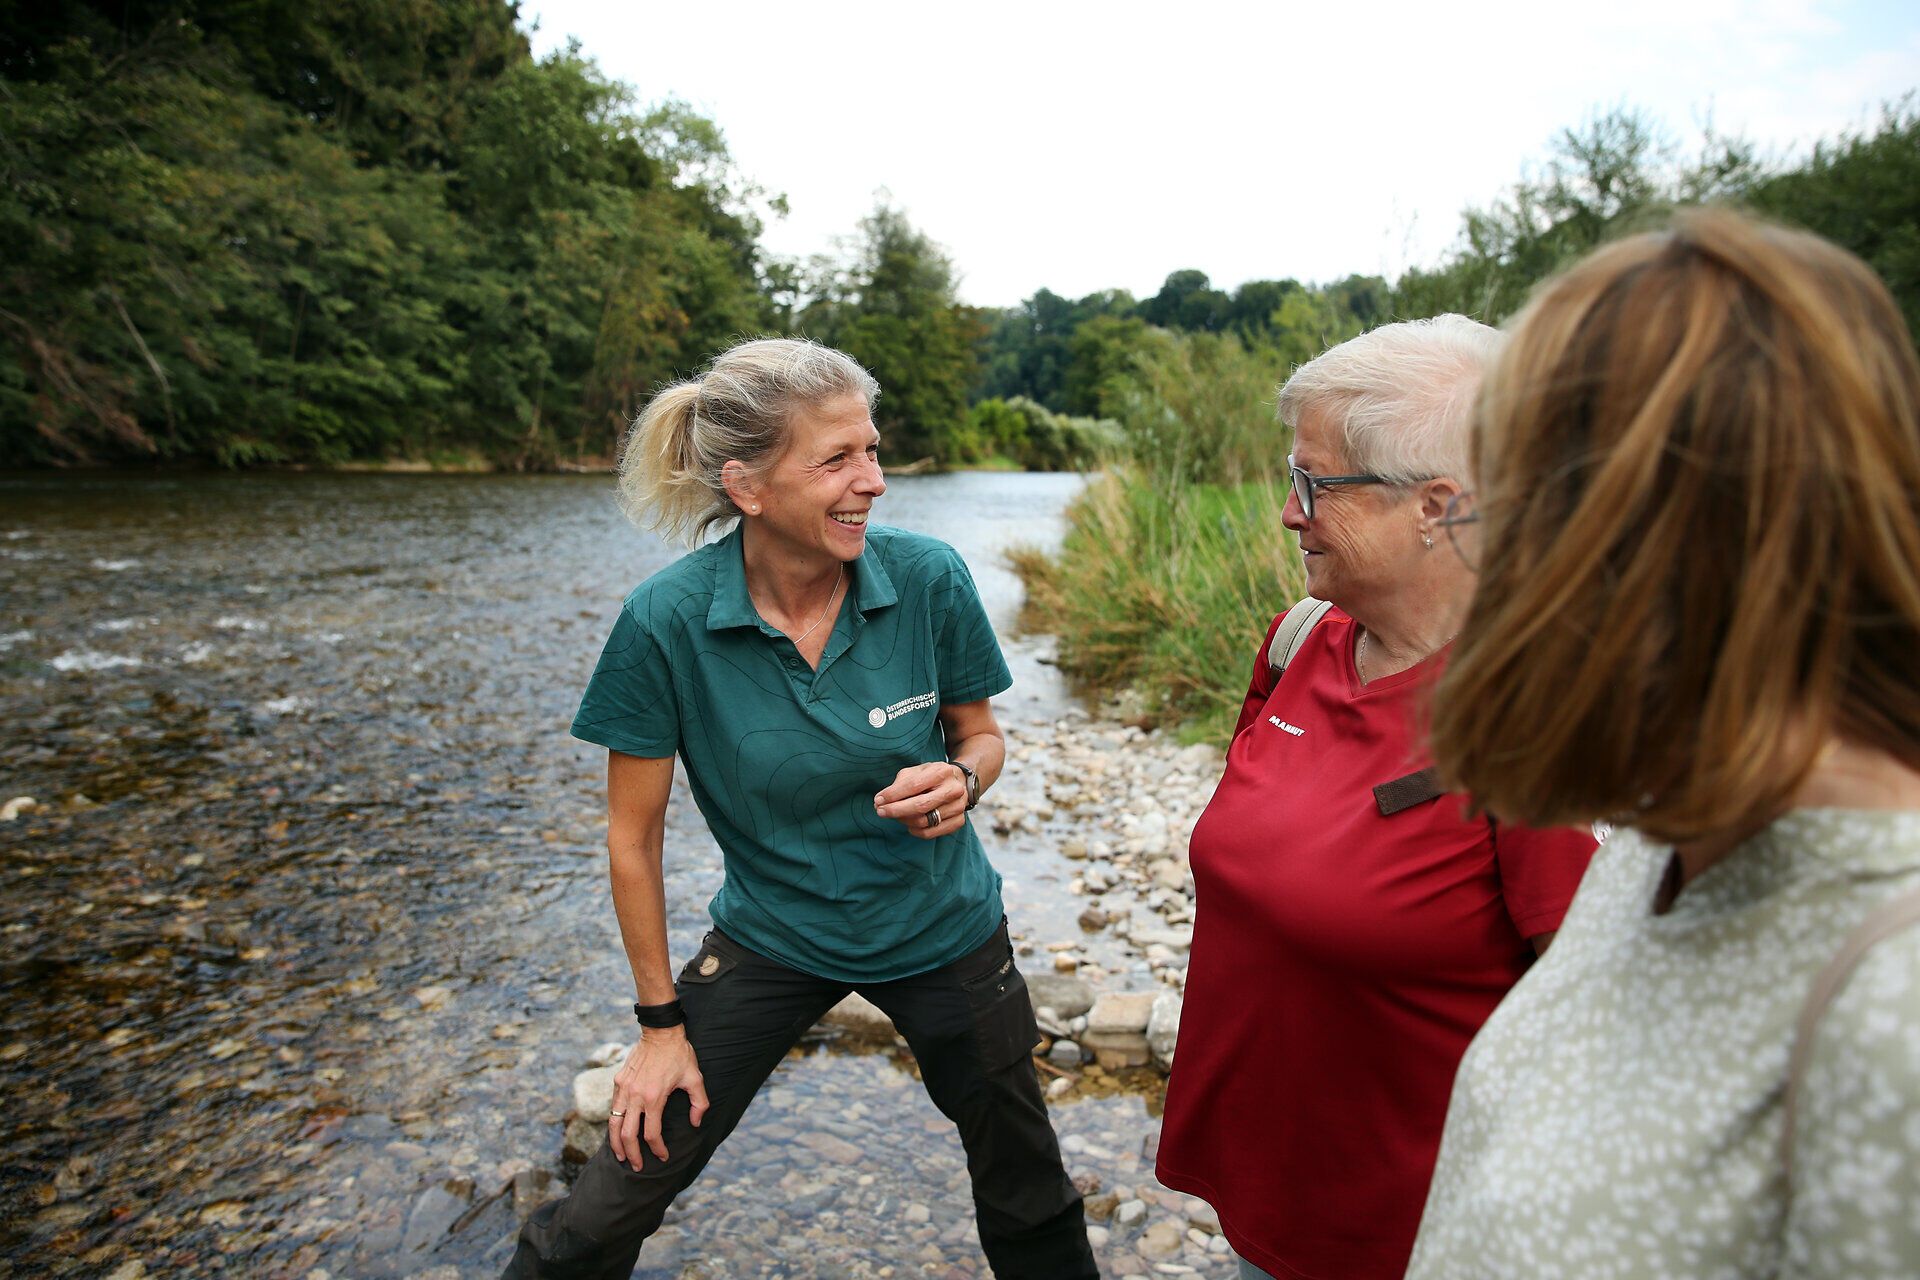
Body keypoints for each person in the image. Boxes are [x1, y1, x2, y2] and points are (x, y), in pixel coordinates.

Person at [506, 338, 1096, 1279]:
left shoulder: (930, 578)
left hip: (942, 925)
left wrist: (967, 779)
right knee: (606, 1207)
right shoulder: (664, 621)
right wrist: (659, 1030)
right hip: (772, 935)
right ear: (746, 487)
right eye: (837, 460)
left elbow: (981, 737)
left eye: (872, 450)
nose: (874, 481)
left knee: (1030, 1194)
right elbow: (633, 839)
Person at [1408, 210, 1920, 1277]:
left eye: (1504, 516)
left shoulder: (1895, 1006)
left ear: (1643, 542)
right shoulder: (1664, 835)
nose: (1490, 570)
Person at [1154, 317, 1599, 1280]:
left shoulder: (1534, 719)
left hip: (1418, 1236)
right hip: (1271, 1200)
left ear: (1436, 505)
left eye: (1314, 483)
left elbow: (1601, 1033)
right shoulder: (1299, 639)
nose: (1287, 510)